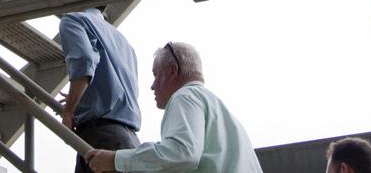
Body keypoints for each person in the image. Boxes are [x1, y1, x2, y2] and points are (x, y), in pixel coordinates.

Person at [83, 42, 261, 173]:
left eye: (155, 74)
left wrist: (115, 160)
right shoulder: (221, 113)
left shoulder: (184, 97)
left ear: (173, 71)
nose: (152, 86)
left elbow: (183, 153)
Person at [60, 6, 141, 173]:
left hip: (102, 137)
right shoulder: (123, 42)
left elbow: (84, 61)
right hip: (129, 141)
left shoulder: (74, 19)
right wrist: (76, 98)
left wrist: (68, 111)